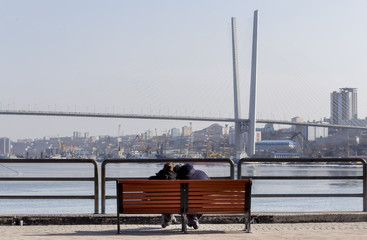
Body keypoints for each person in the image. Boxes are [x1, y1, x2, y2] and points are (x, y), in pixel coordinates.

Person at [175, 163, 210, 230]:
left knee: (186, 201)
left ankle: (193, 220)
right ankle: (193, 220)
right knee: (194, 199)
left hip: (191, 203)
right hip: (207, 202)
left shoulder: (184, 178)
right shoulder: (201, 172)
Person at [149, 162, 177, 228]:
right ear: (172, 169)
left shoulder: (152, 179)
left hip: (156, 203)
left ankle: (168, 220)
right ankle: (168, 219)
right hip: (174, 203)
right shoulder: (177, 179)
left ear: (163, 168)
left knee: (163, 200)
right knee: (169, 200)